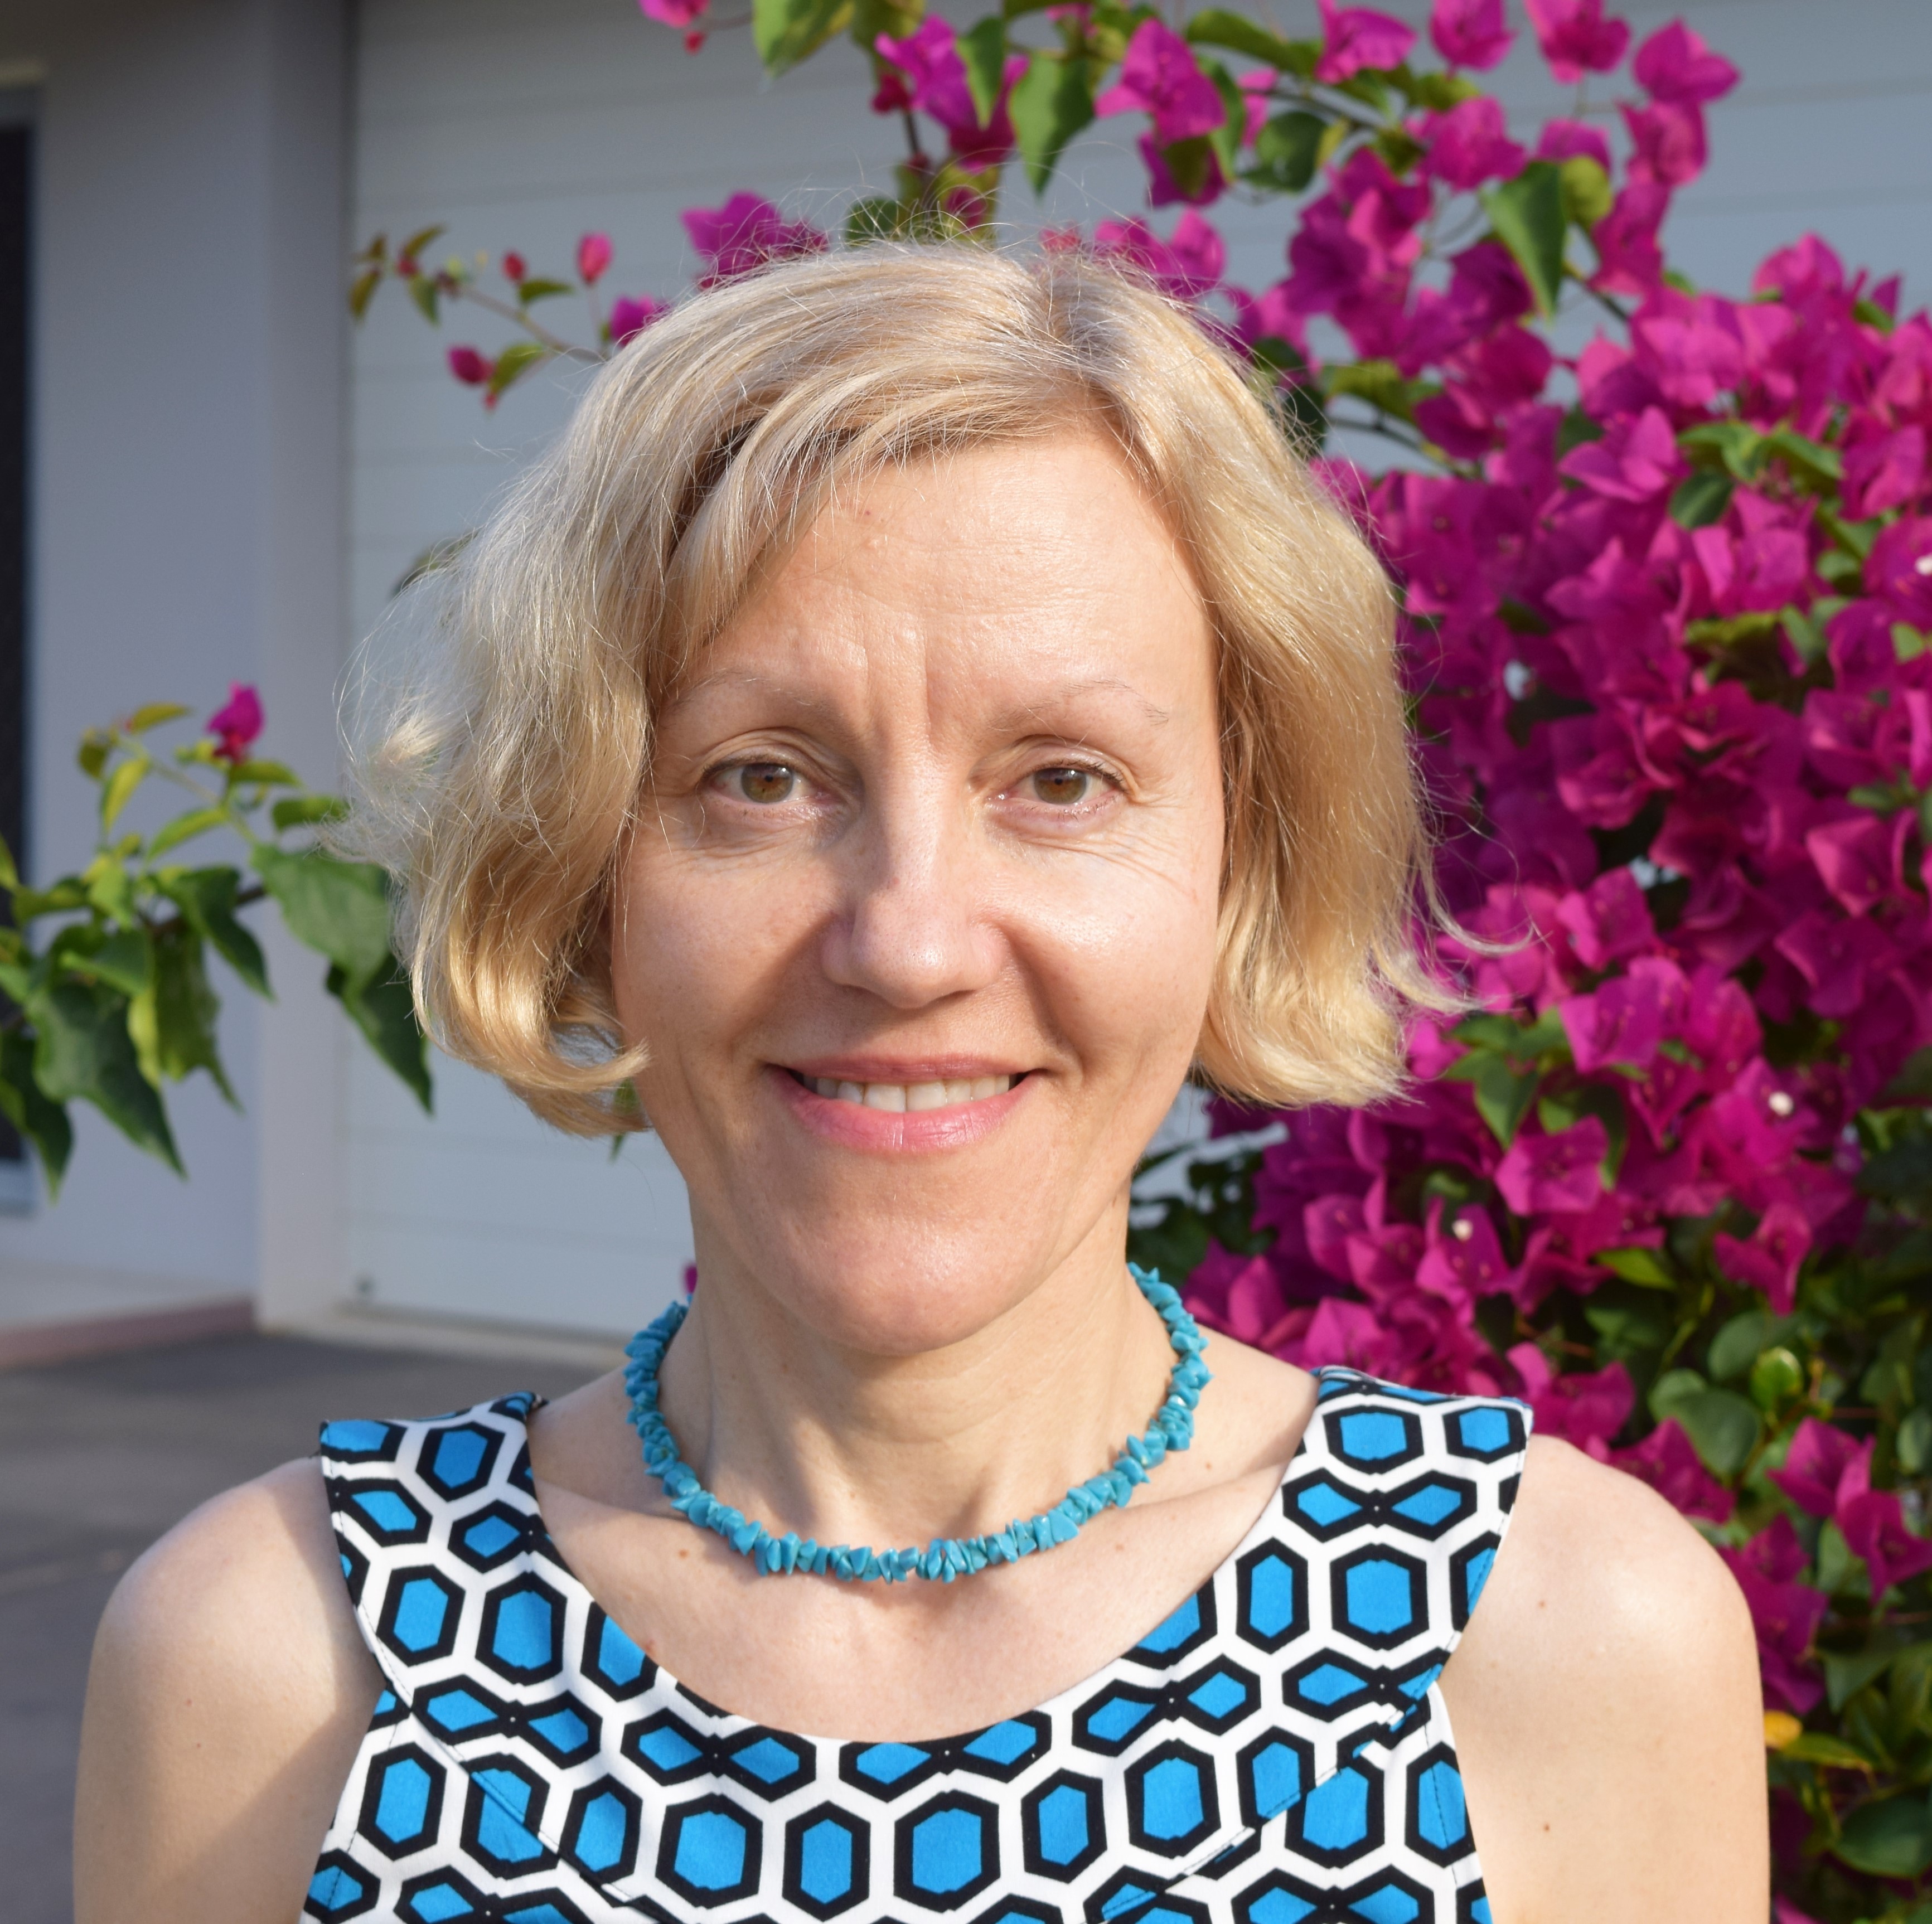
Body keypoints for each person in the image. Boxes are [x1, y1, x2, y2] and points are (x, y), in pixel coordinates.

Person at [74, 245, 1766, 1924]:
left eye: (1061, 779)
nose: (907, 942)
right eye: (760, 778)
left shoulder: (1549, 1641)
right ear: (585, 873)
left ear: (1240, 865)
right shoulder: (281, 1662)